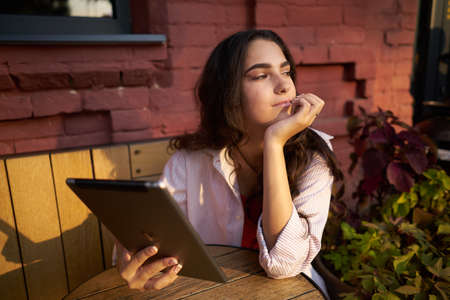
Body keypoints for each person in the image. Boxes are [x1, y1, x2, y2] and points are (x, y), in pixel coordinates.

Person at [115, 29, 341, 297]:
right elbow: (152, 238)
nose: (284, 86)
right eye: (260, 75)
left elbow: (285, 264)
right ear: (228, 94)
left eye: (286, 71)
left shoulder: (314, 156)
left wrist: (274, 143)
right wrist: (132, 260)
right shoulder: (189, 163)